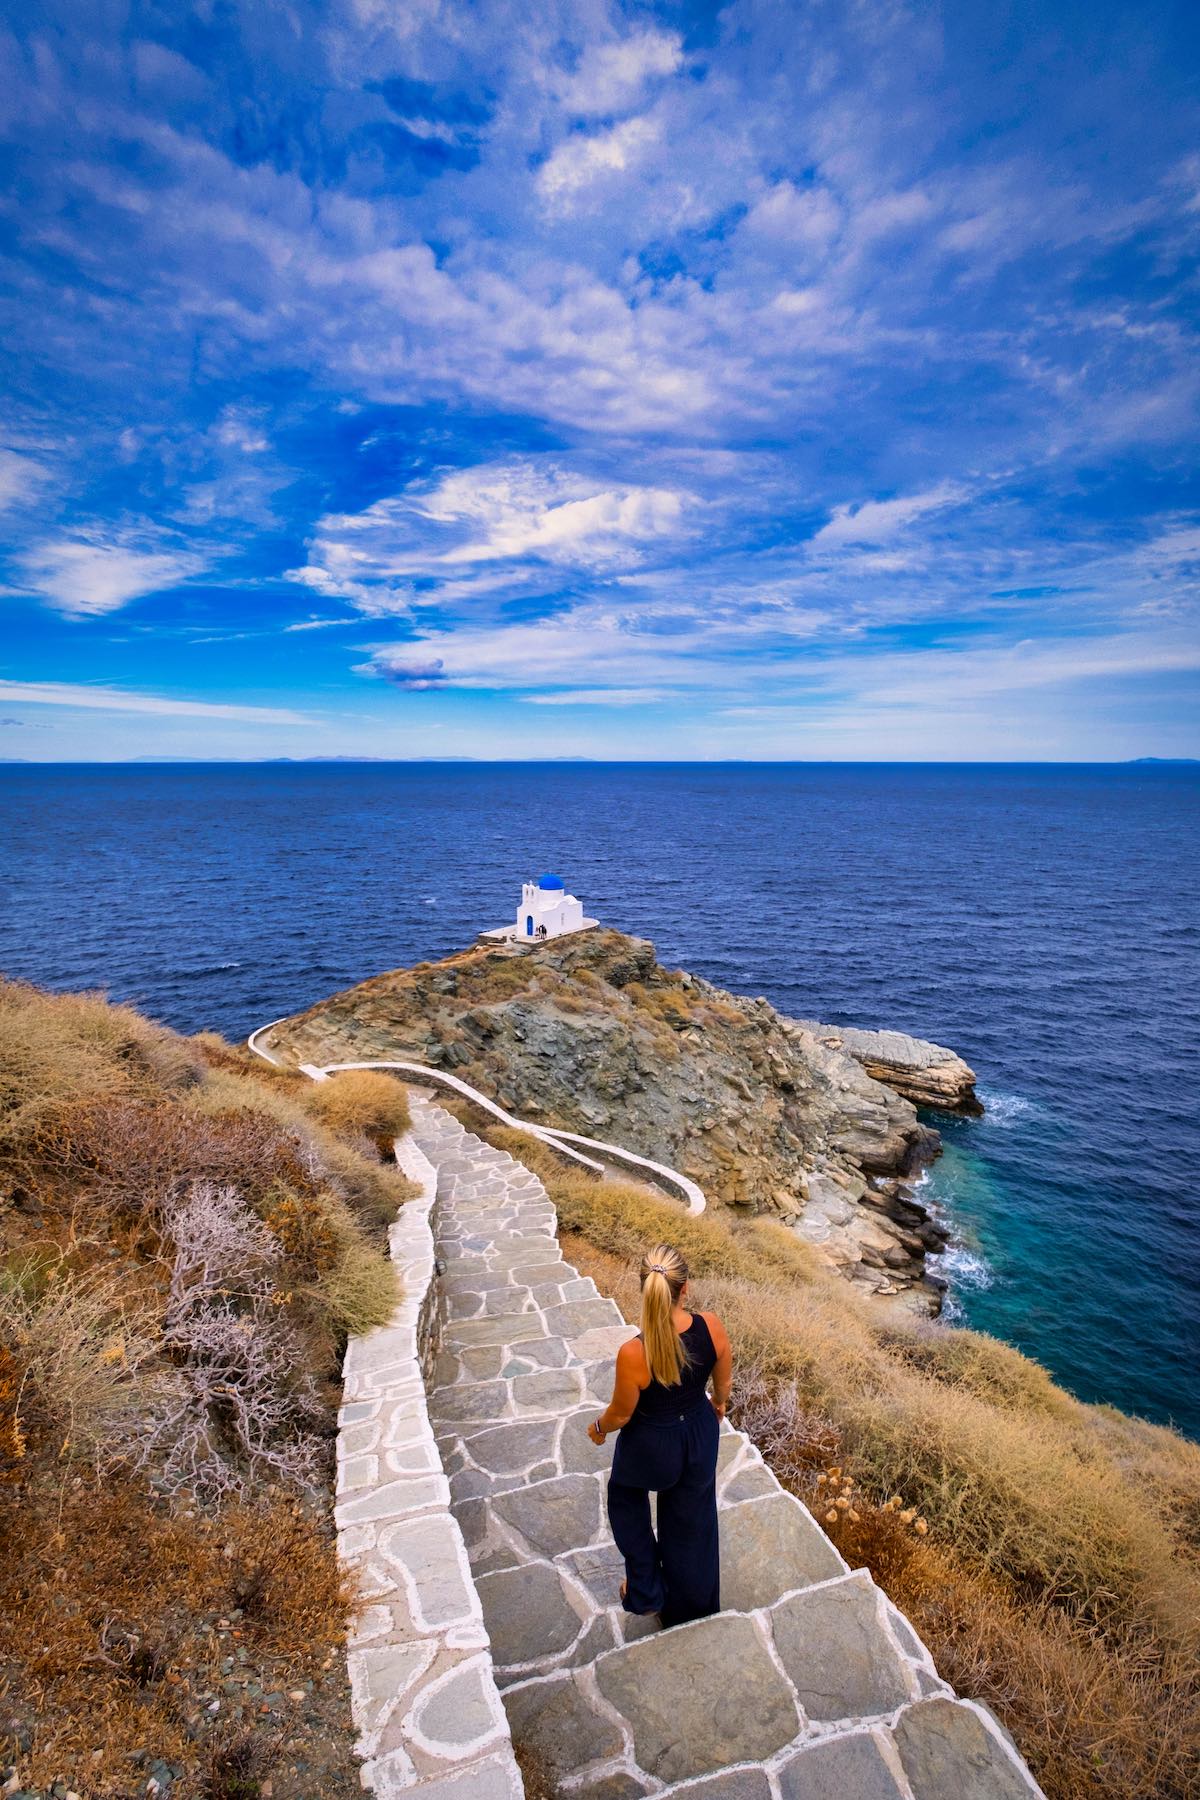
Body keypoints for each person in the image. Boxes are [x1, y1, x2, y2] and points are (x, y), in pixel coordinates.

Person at [587, 1243, 732, 1627]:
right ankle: (694, 1608)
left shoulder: (633, 1353)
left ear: (644, 1291)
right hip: (700, 1436)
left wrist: (599, 1428)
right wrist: (717, 1406)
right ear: (685, 1290)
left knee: (624, 1497)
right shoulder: (712, 1326)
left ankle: (648, 1591)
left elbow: (621, 1413)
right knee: (693, 1520)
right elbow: (723, 1383)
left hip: (653, 1446)